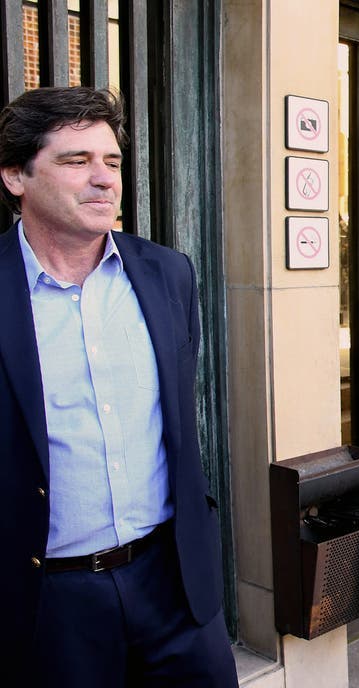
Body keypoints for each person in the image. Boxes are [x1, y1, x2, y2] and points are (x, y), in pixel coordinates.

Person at [0, 86, 237, 687]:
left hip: (174, 586)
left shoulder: (168, 273)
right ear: (15, 176)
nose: (104, 179)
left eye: (111, 161)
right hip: (49, 604)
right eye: (76, 160)